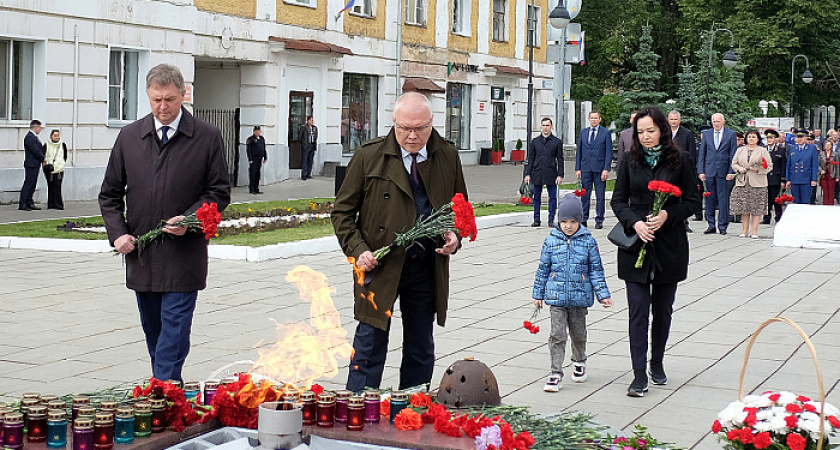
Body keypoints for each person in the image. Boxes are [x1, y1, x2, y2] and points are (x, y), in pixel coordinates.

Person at [99, 64, 231, 383]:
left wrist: (190, 221)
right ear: (148, 95)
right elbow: (110, 194)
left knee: (173, 332)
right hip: (142, 257)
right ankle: (170, 392)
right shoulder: (130, 137)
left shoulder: (207, 137)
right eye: (156, 99)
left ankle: (162, 392)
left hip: (184, 258)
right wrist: (117, 235)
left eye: (170, 99)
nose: (163, 107)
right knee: (154, 334)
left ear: (183, 95)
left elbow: (219, 193)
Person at [332, 92, 468, 392]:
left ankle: (411, 409)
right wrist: (359, 250)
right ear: (393, 123)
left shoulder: (446, 154)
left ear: (432, 124)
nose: (411, 135)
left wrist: (454, 236)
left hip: (424, 266)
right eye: (404, 127)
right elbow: (341, 212)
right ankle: (359, 407)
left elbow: (460, 209)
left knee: (421, 345)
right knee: (369, 343)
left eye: (420, 128)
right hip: (380, 267)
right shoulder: (370, 155)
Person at [610, 107, 701, 397]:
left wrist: (667, 216)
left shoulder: (681, 160)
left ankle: (657, 362)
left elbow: (692, 201)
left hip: (668, 246)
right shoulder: (629, 160)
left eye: (651, 130)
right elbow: (618, 201)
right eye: (640, 132)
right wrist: (635, 223)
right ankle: (638, 374)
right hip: (635, 245)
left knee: (662, 310)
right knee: (638, 311)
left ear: (661, 129)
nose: (646, 136)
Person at [532, 193, 613, 392]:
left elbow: (596, 270)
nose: (568, 226)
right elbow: (543, 268)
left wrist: (603, 294)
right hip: (556, 298)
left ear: (580, 220)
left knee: (578, 334)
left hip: (579, 298)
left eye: (573, 221)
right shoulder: (551, 241)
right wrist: (538, 294)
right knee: (557, 335)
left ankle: (579, 361)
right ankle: (555, 373)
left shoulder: (588, 241)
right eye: (564, 221)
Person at [697, 113, 738, 235]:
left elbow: (733, 155)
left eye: (718, 121)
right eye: (714, 121)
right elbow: (702, 154)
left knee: (723, 199)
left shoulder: (730, 134)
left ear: (723, 121)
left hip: (724, 172)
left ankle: (723, 225)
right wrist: (701, 171)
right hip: (709, 171)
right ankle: (710, 225)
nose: (716, 123)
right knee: (709, 199)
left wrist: (731, 171)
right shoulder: (707, 134)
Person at [730, 130, 772, 238]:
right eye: (749, 137)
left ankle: (754, 231)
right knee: (744, 207)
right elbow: (734, 163)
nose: (751, 139)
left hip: (758, 182)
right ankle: (744, 230)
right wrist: (740, 169)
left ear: (758, 139)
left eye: (754, 137)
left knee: (756, 208)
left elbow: (769, 166)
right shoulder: (740, 150)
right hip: (743, 181)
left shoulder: (762, 150)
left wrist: (757, 170)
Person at [575, 110, 613, 229]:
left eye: (596, 118)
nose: (594, 120)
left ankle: (599, 219)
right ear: (589, 119)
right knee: (585, 196)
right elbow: (579, 151)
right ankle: (584, 219)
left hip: (600, 169)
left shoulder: (605, 133)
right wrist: (578, 168)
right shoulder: (584, 132)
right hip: (586, 168)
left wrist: (606, 169)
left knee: (600, 196)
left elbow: (608, 152)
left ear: (600, 119)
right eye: (592, 118)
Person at [524, 117, 564, 227]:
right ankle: (536, 219)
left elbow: (560, 159)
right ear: (541, 127)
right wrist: (528, 173)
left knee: (552, 197)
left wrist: (560, 175)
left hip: (551, 172)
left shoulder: (556, 142)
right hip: (537, 172)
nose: (545, 128)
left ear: (551, 127)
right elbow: (531, 158)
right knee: (536, 197)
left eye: (547, 126)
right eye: (543, 126)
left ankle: (551, 219)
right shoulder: (535, 141)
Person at [668, 110, 698, 232]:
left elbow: (691, 153)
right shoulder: (664, 132)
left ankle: (684, 222)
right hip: (667, 169)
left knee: (681, 196)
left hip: (681, 169)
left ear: (680, 120)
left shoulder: (687, 134)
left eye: (676, 119)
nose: (673, 121)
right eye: (671, 119)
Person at [785, 127, 819, 205]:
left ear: (806, 137)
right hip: (795, 179)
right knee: (796, 203)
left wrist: (814, 179)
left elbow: (814, 165)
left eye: (802, 137)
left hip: (806, 179)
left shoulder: (811, 148)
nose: (799, 139)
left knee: (805, 203)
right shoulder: (793, 148)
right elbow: (789, 164)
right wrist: (788, 179)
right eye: (798, 137)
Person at [19, 119, 45, 211]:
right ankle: (23, 203)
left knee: (33, 184)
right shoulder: (30, 137)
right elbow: (35, 150)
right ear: (36, 127)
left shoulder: (34, 137)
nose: (40, 130)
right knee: (29, 184)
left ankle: (29, 201)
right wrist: (43, 159)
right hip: (31, 164)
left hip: (35, 164)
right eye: (40, 128)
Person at [763, 129, 786, 224]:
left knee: (776, 199)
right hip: (765, 178)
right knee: (766, 199)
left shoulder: (780, 150)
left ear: (775, 139)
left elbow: (783, 165)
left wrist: (783, 180)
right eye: (768, 138)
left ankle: (778, 217)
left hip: (776, 178)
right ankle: (766, 217)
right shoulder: (763, 150)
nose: (769, 140)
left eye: (771, 138)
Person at [43, 129, 68, 210]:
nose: (56, 137)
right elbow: (43, 156)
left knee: (57, 187)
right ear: (51, 136)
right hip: (49, 169)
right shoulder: (46, 145)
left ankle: (58, 204)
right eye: (55, 135)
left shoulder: (62, 145)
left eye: (58, 135)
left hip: (59, 169)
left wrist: (61, 164)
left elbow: (65, 156)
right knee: (50, 187)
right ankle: (51, 204)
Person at [246, 126, 267, 194]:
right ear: (254, 131)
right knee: (253, 173)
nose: (258, 132)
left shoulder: (262, 139)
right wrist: (250, 158)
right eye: (256, 131)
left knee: (258, 174)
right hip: (254, 159)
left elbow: (263, 148)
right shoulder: (251, 139)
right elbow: (248, 149)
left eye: (259, 131)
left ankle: (256, 188)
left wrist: (265, 156)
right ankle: (252, 189)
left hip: (259, 158)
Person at [819, 139, 839, 205]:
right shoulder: (821, 154)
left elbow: (837, 166)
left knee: (831, 191)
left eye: (829, 145)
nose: (827, 146)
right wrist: (821, 171)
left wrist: (837, 176)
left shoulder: (835, 154)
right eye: (826, 145)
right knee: (825, 191)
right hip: (824, 175)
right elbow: (817, 164)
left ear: (831, 146)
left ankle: (831, 205)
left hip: (832, 175)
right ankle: (825, 204)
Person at [298, 116, 318, 180]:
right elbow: (300, 137)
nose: (312, 122)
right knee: (305, 160)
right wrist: (303, 144)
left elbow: (316, 136)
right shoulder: (304, 127)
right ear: (308, 121)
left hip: (312, 145)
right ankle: (303, 174)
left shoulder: (314, 128)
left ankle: (308, 173)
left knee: (311, 160)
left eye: (313, 120)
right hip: (306, 146)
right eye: (311, 120)